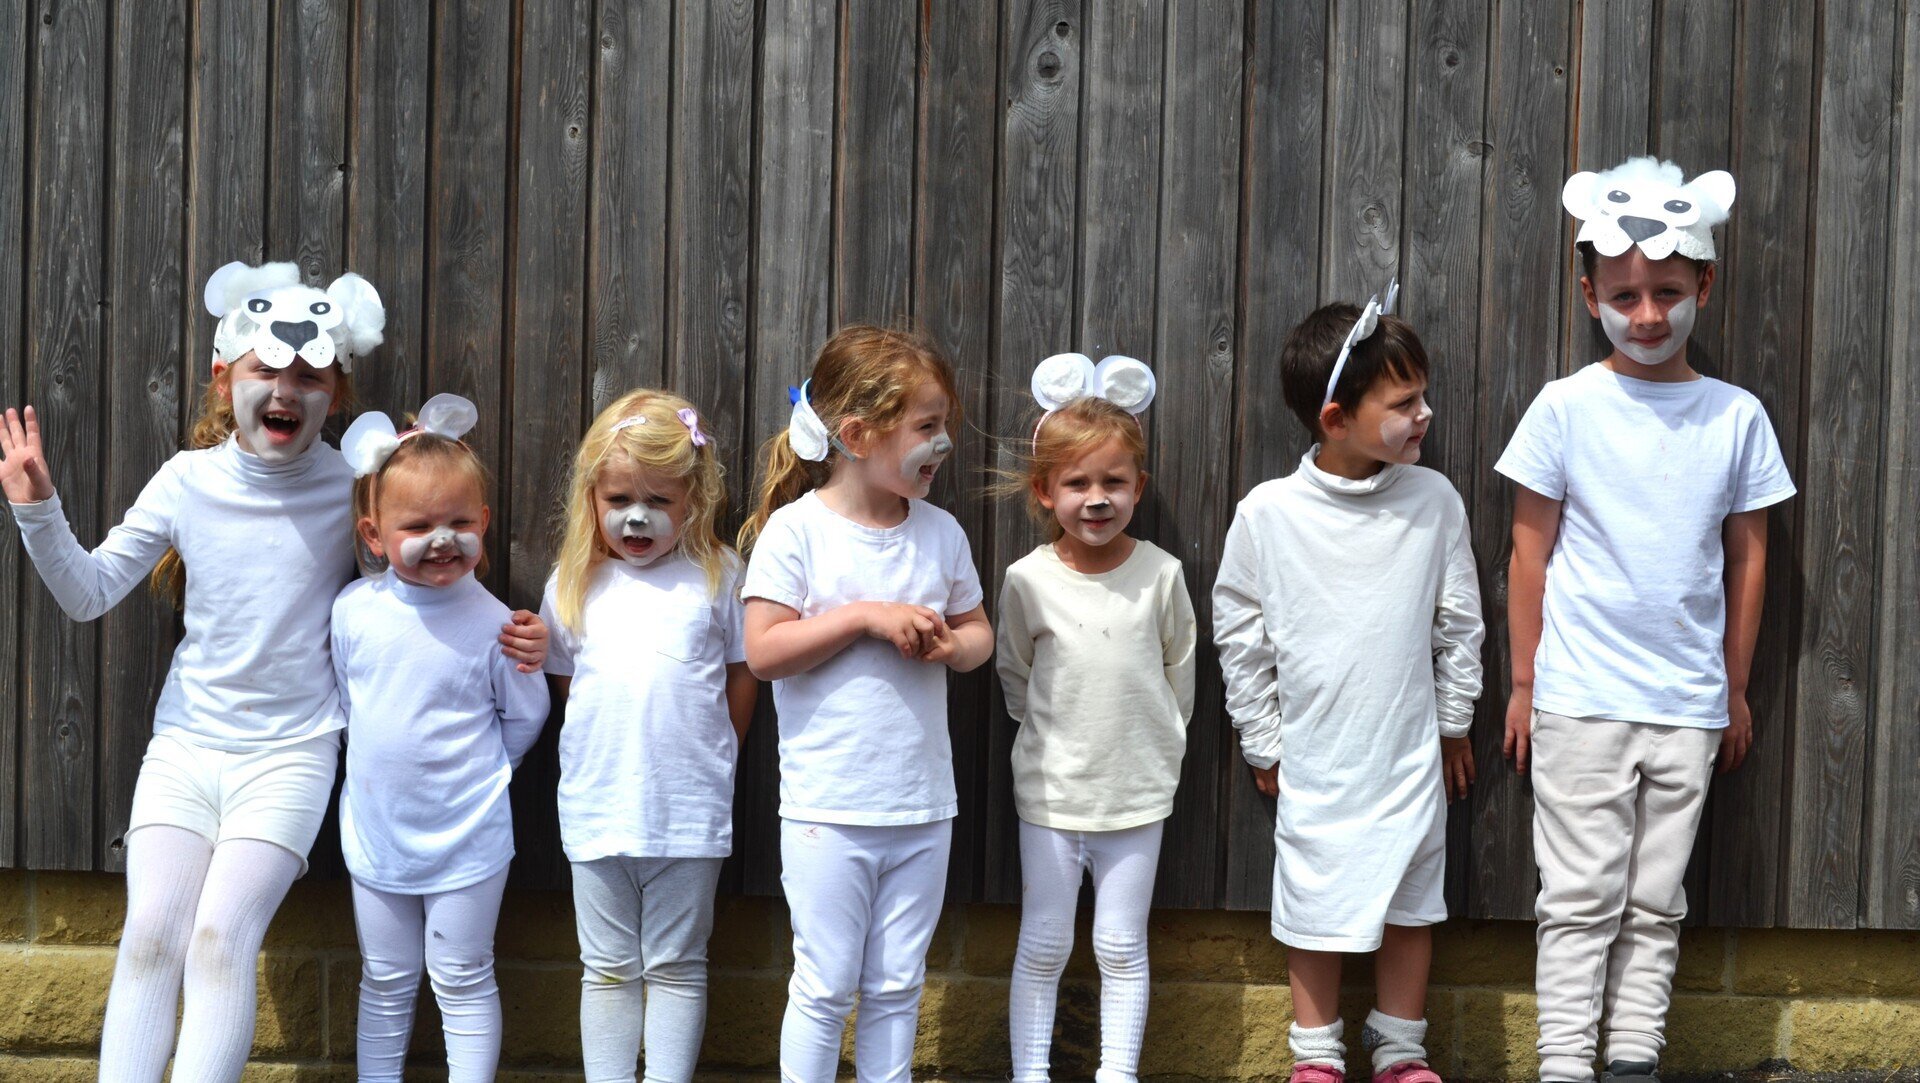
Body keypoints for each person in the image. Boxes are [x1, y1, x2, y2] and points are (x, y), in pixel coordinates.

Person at [0, 261, 543, 1082]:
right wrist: (37, 506)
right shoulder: (188, 480)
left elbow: (411, 599)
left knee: (220, 941)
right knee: (150, 936)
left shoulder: (351, 489)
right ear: (225, 381)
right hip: (186, 744)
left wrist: (519, 640)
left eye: (309, 375)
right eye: (265, 370)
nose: (285, 389)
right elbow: (87, 592)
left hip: (291, 752)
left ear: (336, 394)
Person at [1502, 159, 1793, 1083]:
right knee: (1580, 896)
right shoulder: (1565, 408)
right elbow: (1528, 554)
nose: (1649, 314)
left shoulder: (1736, 417)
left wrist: (1734, 686)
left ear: (1704, 284)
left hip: (1688, 702)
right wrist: (1521, 681)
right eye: (1624, 294)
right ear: (1590, 295)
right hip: (1580, 696)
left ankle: (1633, 1057)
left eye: (1668, 291)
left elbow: (1749, 556)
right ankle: (1562, 1064)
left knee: (1656, 899)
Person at [1214, 284, 1485, 1083]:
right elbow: (1240, 633)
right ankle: (1315, 1056)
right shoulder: (1269, 514)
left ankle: (1401, 1050)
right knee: (1315, 900)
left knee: (1410, 900)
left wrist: (1455, 721)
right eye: (1403, 403)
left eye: (1423, 395)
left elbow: (1460, 619)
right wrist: (1262, 738)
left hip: (1406, 747)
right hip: (1317, 752)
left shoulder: (1433, 500)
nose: (1424, 414)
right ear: (1335, 418)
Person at [737, 324, 994, 1082]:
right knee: (824, 985)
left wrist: (956, 645)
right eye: (926, 426)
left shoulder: (941, 534)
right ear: (856, 434)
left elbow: (980, 631)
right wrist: (863, 616)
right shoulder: (797, 533)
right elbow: (763, 650)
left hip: (921, 808)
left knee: (896, 984)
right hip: (829, 810)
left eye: (941, 423)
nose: (942, 442)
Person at [540, 390, 757, 1082]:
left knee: (677, 964)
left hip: (688, 805)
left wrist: (722, 748)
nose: (637, 517)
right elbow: (568, 683)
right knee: (604, 966)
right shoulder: (575, 581)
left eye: (659, 501)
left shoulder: (718, 575)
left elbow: (742, 671)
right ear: (592, 497)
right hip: (600, 801)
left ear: (694, 498)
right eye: (620, 499)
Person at [331, 393, 550, 1080]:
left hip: (469, 838)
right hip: (377, 836)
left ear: (483, 522)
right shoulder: (353, 612)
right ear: (374, 535)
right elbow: (350, 699)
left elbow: (526, 713)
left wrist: (482, 773)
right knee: (387, 979)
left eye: (459, 521)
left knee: (461, 975)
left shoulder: (498, 624)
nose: (442, 539)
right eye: (418, 525)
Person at [996, 353, 1196, 1083]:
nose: (1096, 497)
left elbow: (1181, 674)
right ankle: (1030, 1071)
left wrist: (1157, 747)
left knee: (1120, 944)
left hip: (1136, 793)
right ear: (1045, 491)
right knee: (1044, 941)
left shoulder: (1161, 575)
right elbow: (1016, 674)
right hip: (1051, 797)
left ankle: (1117, 1071)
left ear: (1138, 487)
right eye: (1077, 482)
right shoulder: (1028, 579)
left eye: (1114, 481)